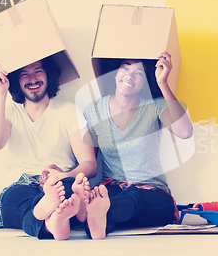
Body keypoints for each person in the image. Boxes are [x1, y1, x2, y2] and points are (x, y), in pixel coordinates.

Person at [82, 51, 193, 239]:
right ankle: (98, 219)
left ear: (145, 83)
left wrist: (163, 83)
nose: (129, 76)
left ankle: (102, 214)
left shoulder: (155, 105)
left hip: (152, 193)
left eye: (139, 73)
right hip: (113, 188)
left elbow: (185, 132)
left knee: (133, 197)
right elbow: (90, 161)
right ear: (115, 74)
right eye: (125, 68)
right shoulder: (94, 110)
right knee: (106, 198)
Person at [0, 56, 97, 240]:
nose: (32, 79)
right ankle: (58, 218)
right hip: (23, 185)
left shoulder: (68, 111)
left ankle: (51, 218)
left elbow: (90, 165)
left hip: (61, 182)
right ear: (16, 81)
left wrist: (65, 176)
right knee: (10, 201)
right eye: (24, 74)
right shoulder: (10, 111)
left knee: (67, 192)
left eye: (38, 71)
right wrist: (0, 93)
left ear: (48, 75)